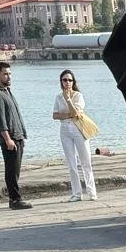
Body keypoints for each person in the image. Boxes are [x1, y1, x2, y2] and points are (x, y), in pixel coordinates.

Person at [51, 70, 98, 201]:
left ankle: (91, 191)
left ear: (73, 82)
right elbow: (55, 115)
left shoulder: (78, 96)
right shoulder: (58, 97)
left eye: (69, 80)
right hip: (64, 129)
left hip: (78, 128)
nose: (67, 83)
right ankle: (76, 193)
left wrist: (68, 100)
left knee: (86, 161)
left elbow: (76, 113)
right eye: (64, 80)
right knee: (71, 163)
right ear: (61, 82)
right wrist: (68, 115)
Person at [0, 62, 30, 210]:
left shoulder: (8, 92)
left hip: (17, 136)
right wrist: (8, 139)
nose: (8, 76)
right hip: (10, 138)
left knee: (16, 169)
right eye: (5, 74)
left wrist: (23, 135)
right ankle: (15, 200)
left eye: (10, 73)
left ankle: (15, 198)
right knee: (11, 170)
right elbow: (1, 120)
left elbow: (16, 116)